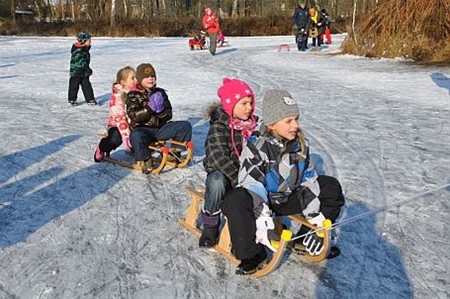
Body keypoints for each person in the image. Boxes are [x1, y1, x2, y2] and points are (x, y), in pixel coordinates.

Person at [222, 89, 345, 275]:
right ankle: (253, 255)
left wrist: (314, 215)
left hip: (288, 197)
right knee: (235, 199)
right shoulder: (257, 145)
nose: (295, 125)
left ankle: (306, 239)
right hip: (263, 201)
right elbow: (251, 182)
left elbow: (309, 178)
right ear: (271, 124)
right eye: (288, 121)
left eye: (296, 119)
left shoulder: (301, 144)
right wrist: (263, 214)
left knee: (330, 187)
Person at [199, 78, 258, 248]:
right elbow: (217, 158)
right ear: (231, 105)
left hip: (249, 177)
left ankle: (264, 221)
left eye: (250, 102)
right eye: (244, 103)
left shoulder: (255, 126)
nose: (249, 107)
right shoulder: (219, 127)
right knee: (216, 181)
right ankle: (210, 224)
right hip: (227, 177)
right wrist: (239, 180)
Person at [126, 63, 192, 173]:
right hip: (143, 129)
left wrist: (161, 111)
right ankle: (146, 159)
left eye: (152, 76)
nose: (150, 79)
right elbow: (133, 115)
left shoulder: (160, 92)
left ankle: (174, 152)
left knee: (184, 126)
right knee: (136, 135)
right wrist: (149, 108)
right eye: (146, 77)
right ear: (140, 79)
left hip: (160, 128)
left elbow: (169, 113)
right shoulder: (133, 95)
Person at [94, 66, 137, 162]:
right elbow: (119, 116)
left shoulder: (136, 92)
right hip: (117, 124)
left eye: (136, 77)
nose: (136, 80)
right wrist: (126, 135)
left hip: (132, 123)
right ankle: (102, 147)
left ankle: (137, 148)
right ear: (123, 82)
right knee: (115, 139)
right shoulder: (118, 95)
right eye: (132, 78)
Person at [68, 31, 97, 106]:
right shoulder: (79, 51)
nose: (90, 42)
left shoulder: (84, 49)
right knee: (74, 86)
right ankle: (72, 100)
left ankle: (90, 100)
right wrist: (87, 69)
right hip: (76, 72)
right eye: (89, 40)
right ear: (83, 41)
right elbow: (80, 62)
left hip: (83, 72)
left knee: (87, 86)